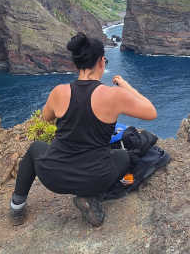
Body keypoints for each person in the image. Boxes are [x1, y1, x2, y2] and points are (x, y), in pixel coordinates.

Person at [9, 32, 157, 226]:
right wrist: (125, 85)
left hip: (54, 176)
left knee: (35, 148)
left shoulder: (59, 92)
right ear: (102, 62)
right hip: (96, 178)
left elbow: (46, 117)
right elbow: (151, 112)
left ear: (76, 63)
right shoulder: (113, 95)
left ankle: (17, 206)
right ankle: (89, 198)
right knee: (122, 156)